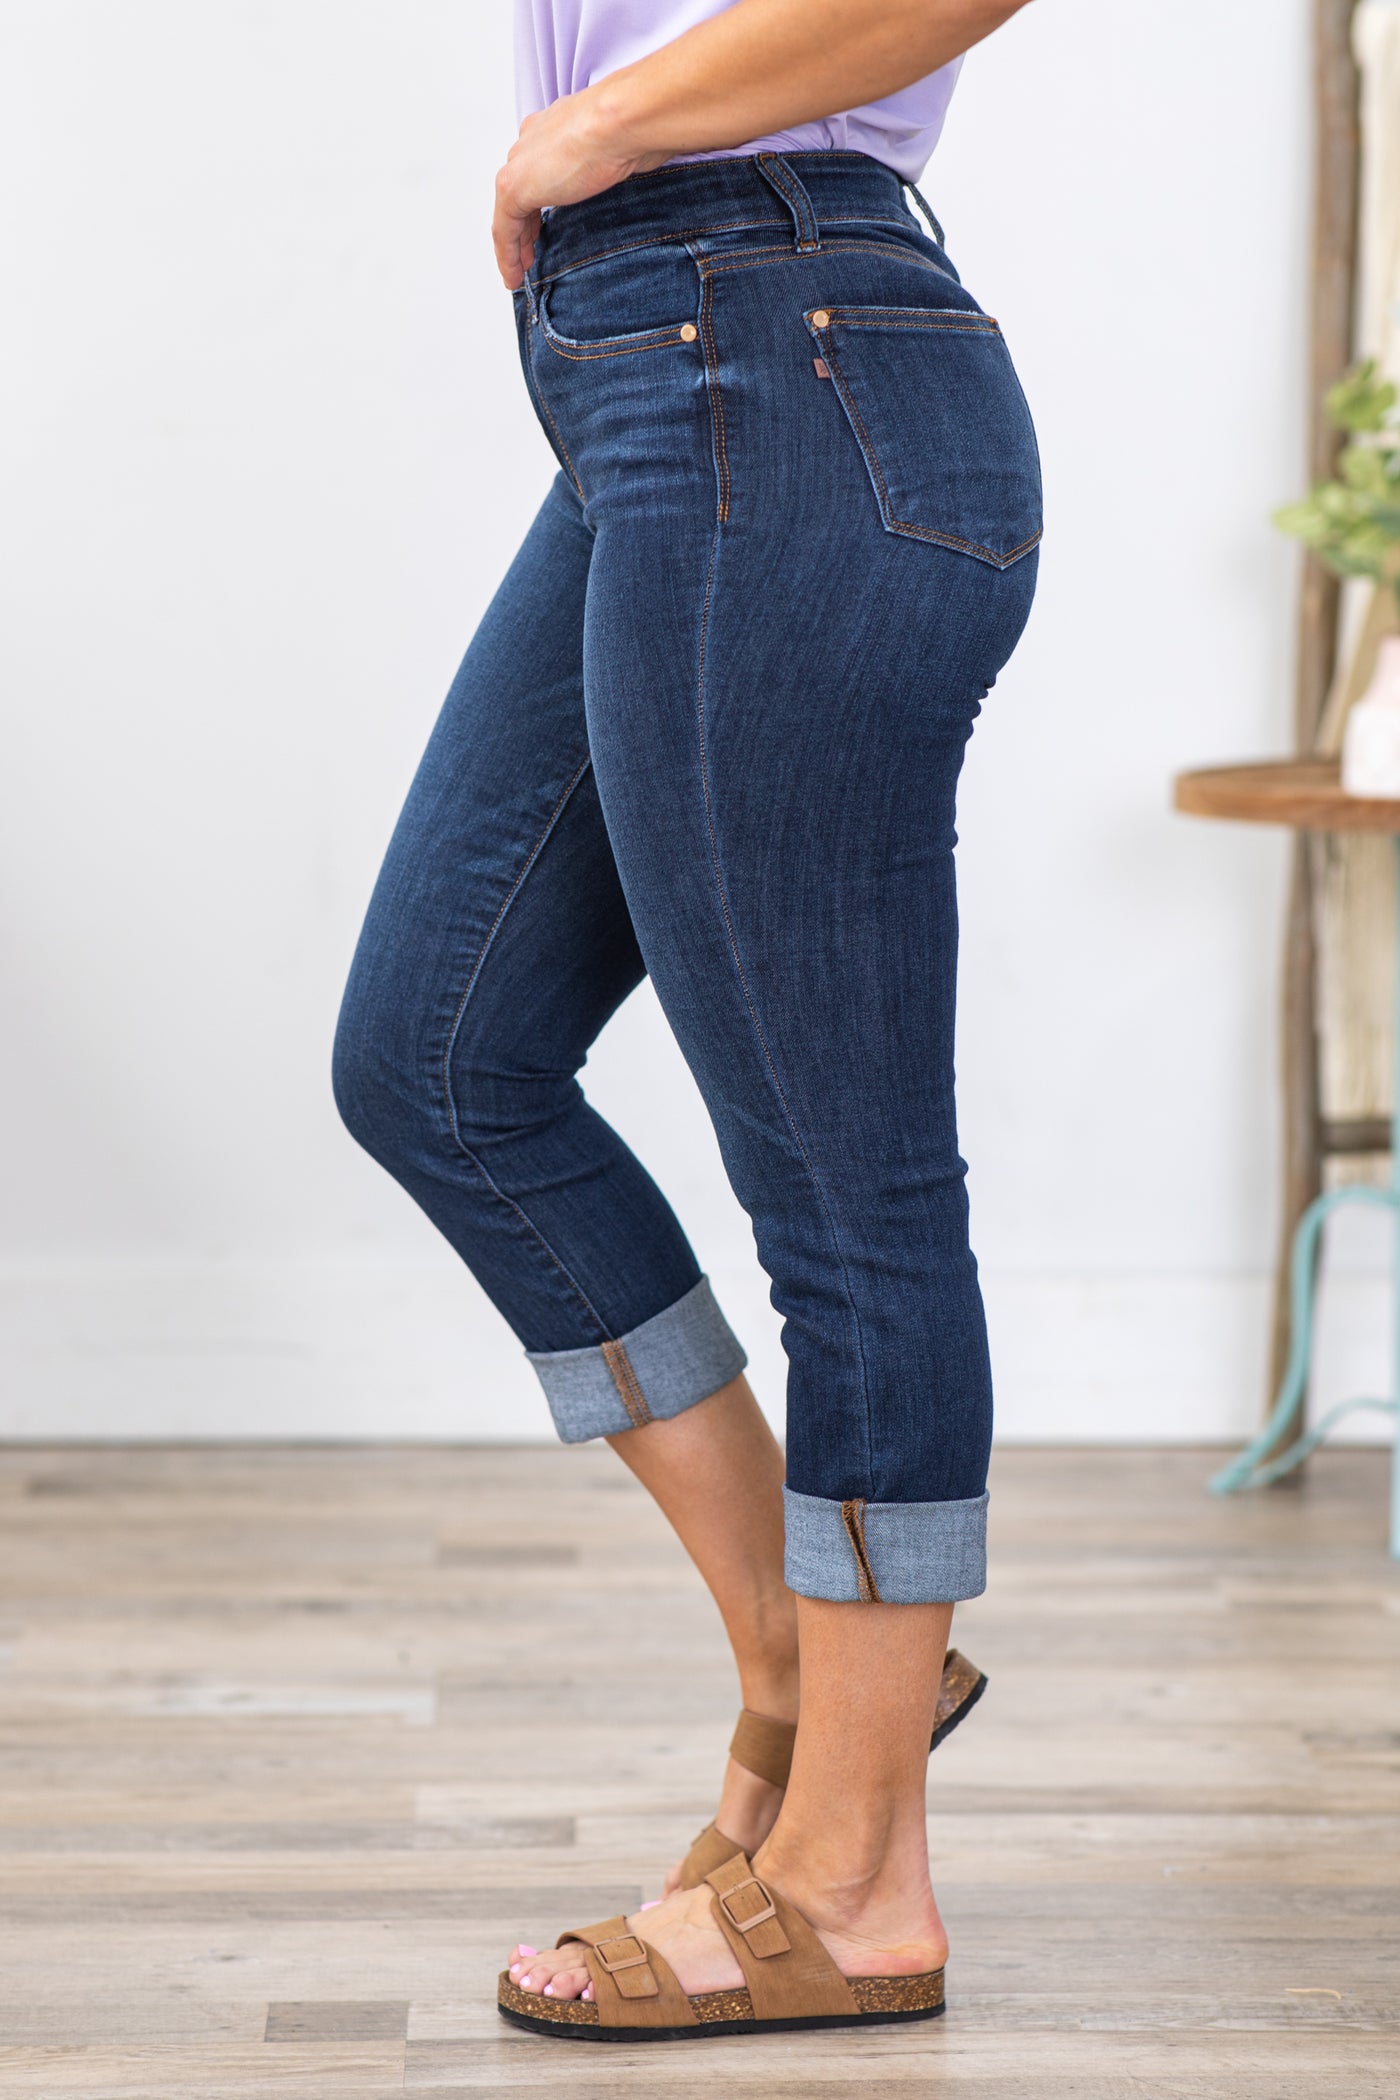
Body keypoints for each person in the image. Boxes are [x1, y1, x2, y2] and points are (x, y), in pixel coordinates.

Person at [333, 0, 1039, 2044]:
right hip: (668, 366)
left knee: (847, 1191)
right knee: (438, 1060)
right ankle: (801, 1656)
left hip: (776, 341)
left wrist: (604, 124)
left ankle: (855, 1878)